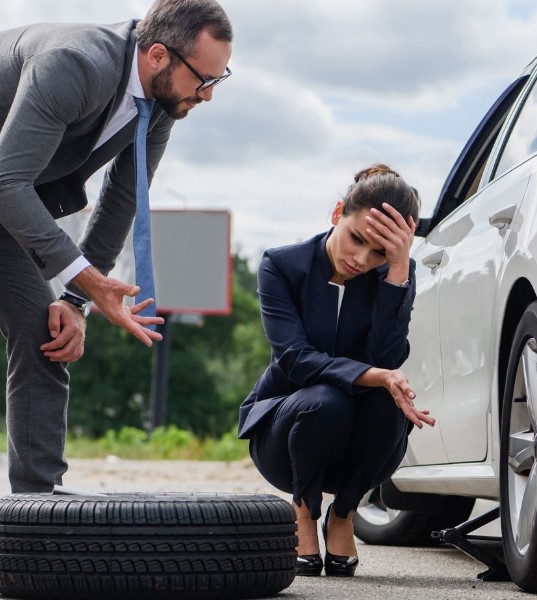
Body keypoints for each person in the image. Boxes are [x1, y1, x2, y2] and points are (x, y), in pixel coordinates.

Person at [0, 0, 233, 493]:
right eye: (204, 79)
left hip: (12, 200)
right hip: (7, 186)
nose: (209, 96)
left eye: (218, 80)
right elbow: (7, 181)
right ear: (156, 56)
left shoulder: (162, 104)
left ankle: (38, 507)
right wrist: (83, 276)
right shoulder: (74, 63)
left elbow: (123, 199)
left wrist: (76, 299)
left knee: (47, 331)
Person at [238, 164, 435, 577]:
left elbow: (387, 356)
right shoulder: (281, 265)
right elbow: (294, 358)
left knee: (388, 400)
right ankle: (304, 512)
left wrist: (397, 274)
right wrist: (375, 375)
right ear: (337, 213)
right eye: (357, 239)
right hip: (284, 434)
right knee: (326, 401)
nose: (361, 260)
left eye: (379, 252)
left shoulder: (392, 274)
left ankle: (343, 513)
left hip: (357, 448)